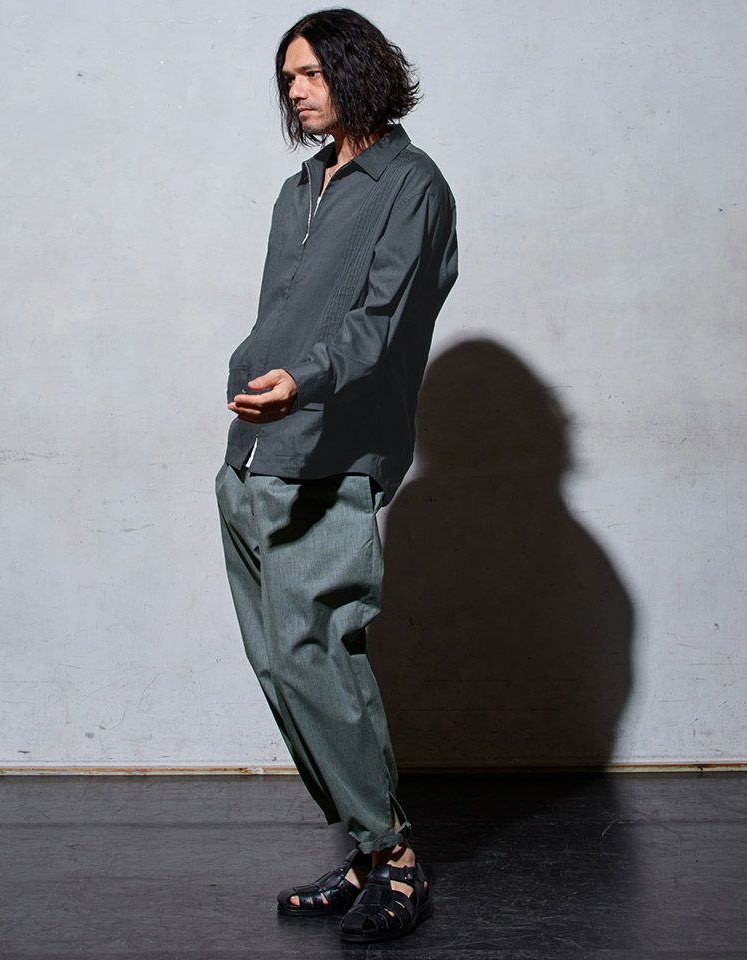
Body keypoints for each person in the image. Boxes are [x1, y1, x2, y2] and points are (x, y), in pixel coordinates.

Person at [214, 7, 458, 944]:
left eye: (311, 73)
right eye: (288, 77)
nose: (296, 90)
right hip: (252, 456)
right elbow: (284, 310)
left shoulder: (412, 186)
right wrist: (251, 376)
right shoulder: (298, 189)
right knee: (280, 663)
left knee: (318, 654)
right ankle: (363, 848)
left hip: (330, 452)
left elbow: (383, 322)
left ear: (358, 73)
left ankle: (395, 859)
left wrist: (304, 382)